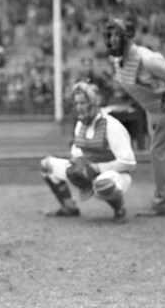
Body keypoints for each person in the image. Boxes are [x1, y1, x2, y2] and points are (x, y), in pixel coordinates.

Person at [103, 17, 165, 217]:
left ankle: (163, 203)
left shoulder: (148, 59)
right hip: (153, 106)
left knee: (159, 150)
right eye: (109, 35)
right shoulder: (119, 61)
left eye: (116, 35)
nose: (112, 40)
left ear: (127, 37)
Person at [40, 82, 137, 222]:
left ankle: (119, 208)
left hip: (115, 176)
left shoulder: (112, 126)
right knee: (47, 165)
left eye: (83, 103)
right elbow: (77, 150)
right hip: (88, 172)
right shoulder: (81, 125)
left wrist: (98, 168)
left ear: (94, 103)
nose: (78, 108)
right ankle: (69, 207)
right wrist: (77, 163)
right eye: (76, 103)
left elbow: (129, 162)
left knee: (103, 184)